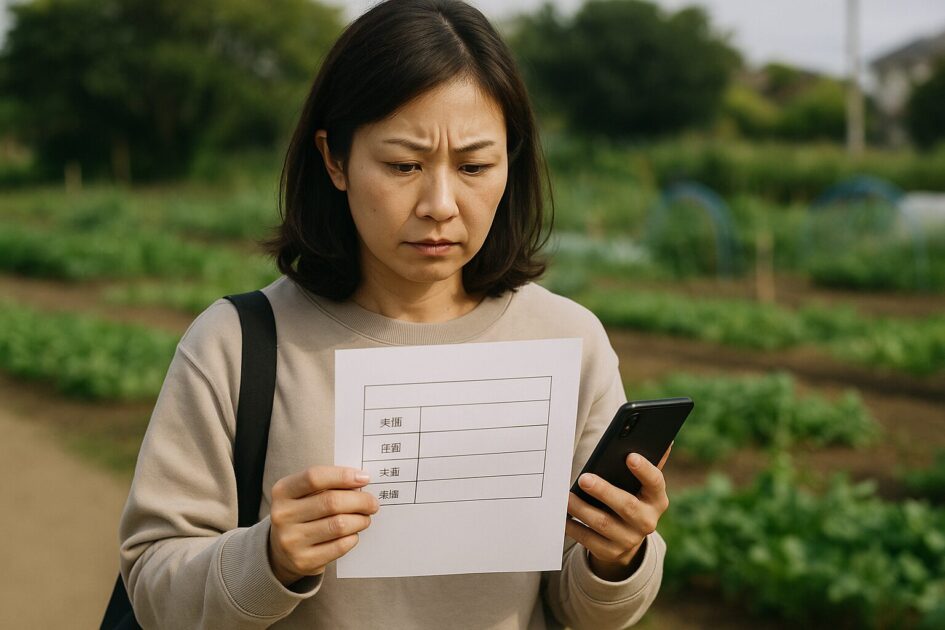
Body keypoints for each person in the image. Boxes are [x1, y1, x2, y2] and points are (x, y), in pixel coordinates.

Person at [118, 1, 672, 628]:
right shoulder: (236, 345)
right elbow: (154, 587)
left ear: (510, 162)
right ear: (334, 160)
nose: (440, 203)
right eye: (404, 165)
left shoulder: (569, 340)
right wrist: (269, 558)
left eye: (474, 166)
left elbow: (584, 611)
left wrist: (618, 558)